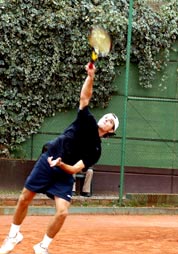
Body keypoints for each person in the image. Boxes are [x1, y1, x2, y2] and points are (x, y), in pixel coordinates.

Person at [0, 62, 119, 254]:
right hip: (50, 158)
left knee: (63, 211)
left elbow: (74, 170)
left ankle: (42, 246)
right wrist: (91, 77)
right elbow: (85, 97)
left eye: (110, 122)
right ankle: (13, 235)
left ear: (110, 131)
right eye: (106, 117)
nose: (106, 119)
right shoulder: (86, 120)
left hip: (63, 171)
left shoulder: (96, 150)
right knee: (24, 197)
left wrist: (62, 164)